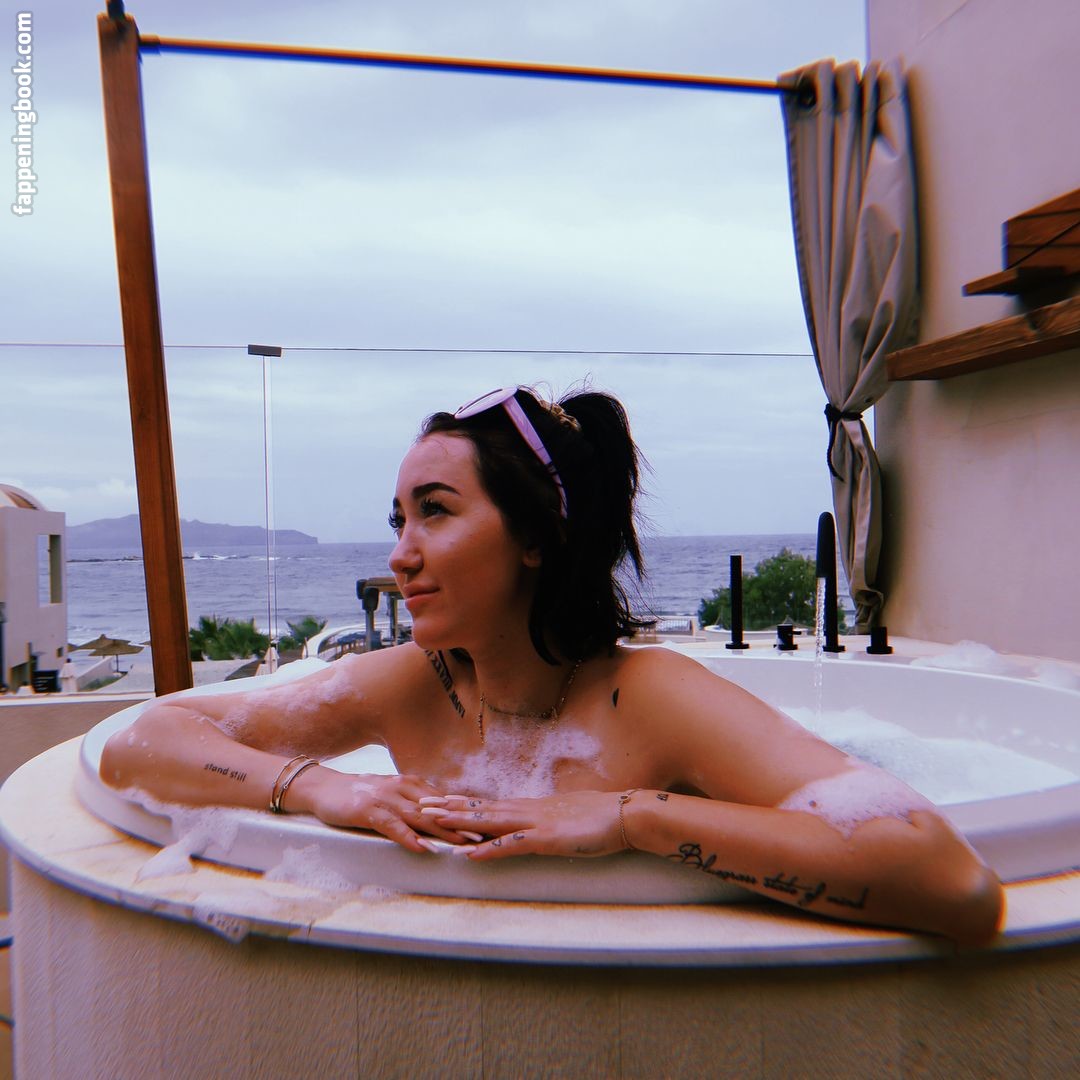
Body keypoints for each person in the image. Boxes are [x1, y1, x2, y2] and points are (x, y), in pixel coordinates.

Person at [101, 385, 1004, 945]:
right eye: (399, 520)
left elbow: (953, 884)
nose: (402, 555)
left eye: (436, 512)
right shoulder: (414, 682)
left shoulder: (651, 698)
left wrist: (634, 817)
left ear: (535, 538)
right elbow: (141, 743)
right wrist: (323, 789)